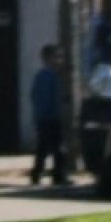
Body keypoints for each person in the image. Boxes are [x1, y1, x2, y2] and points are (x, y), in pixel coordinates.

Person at [30, 44, 69, 185]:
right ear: (47, 59)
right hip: (49, 118)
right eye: (56, 57)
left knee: (43, 148)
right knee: (57, 148)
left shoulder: (43, 76)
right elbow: (45, 98)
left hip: (45, 118)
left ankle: (37, 172)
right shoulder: (48, 76)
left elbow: (34, 95)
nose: (59, 61)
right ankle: (58, 175)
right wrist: (51, 113)